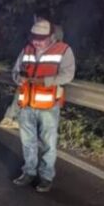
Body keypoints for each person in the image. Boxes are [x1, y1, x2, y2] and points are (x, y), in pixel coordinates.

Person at [11, 19, 75, 193]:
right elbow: (15, 71)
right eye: (34, 37)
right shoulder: (27, 49)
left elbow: (68, 75)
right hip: (26, 103)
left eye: (41, 38)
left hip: (48, 105)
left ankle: (46, 176)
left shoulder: (63, 50)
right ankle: (29, 172)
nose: (36, 41)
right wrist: (19, 78)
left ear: (50, 36)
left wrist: (44, 81)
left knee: (48, 143)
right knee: (28, 141)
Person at [0, 17, 64, 130]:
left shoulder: (56, 51)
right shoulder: (30, 49)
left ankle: (16, 119)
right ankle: (13, 118)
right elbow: (18, 67)